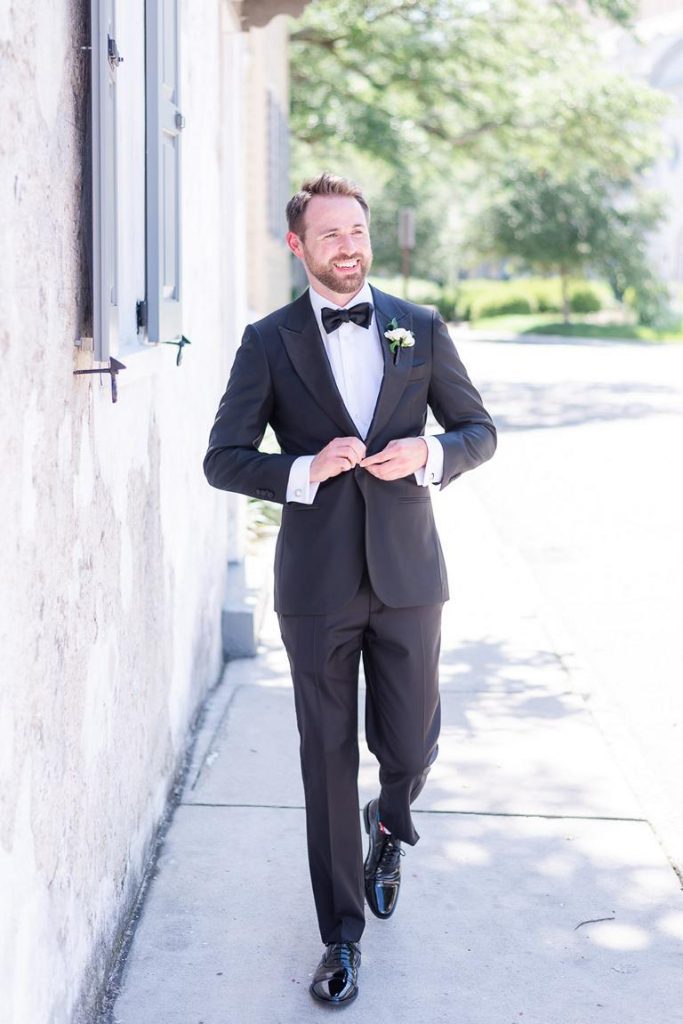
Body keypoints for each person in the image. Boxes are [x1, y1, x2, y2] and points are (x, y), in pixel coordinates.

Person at [203, 172, 496, 1007]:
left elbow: (479, 429)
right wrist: (302, 468)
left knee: (407, 747)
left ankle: (391, 821)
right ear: (297, 246)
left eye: (356, 231)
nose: (347, 246)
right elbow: (222, 458)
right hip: (317, 585)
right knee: (325, 761)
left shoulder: (419, 328)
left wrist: (432, 456)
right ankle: (339, 937)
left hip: (408, 575)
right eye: (328, 234)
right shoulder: (268, 341)